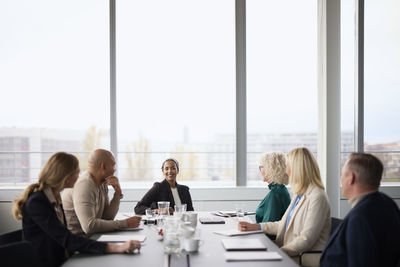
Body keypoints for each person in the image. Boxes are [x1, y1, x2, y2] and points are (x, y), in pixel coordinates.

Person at [12, 152, 141, 267]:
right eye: (77, 172)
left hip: (66, 254)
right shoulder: (38, 202)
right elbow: (67, 238)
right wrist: (117, 248)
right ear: (66, 176)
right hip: (51, 261)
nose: (79, 176)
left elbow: (104, 219)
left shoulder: (55, 197)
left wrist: (117, 194)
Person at [238, 147, 331, 266]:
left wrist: (278, 252)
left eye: (287, 166)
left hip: (302, 258)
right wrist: (256, 226)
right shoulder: (300, 194)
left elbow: (305, 239)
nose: (286, 171)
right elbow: (283, 224)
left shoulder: (317, 197)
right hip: (290, 253)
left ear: (297, 169)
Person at [320, 153, 400, 267]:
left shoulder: (360, 218)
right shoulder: (387, 203)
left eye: (342, 174)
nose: (341, 179)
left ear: (351, 178)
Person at [62, 149, 141, 236]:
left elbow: (107, 218)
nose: (115, 169)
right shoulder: (85, 184)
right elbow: (89, 227)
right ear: (103, 166)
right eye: (113, 165)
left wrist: (118, 193)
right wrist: (125, 223)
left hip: (91, 238)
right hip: (77, 243)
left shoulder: (102, 184)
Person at [255, 152, 291, 225]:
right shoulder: (281, 189)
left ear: (270, 169)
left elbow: (268, 227)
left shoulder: (275, 194)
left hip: (266, 236)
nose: (260, 170)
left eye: (261, 167)